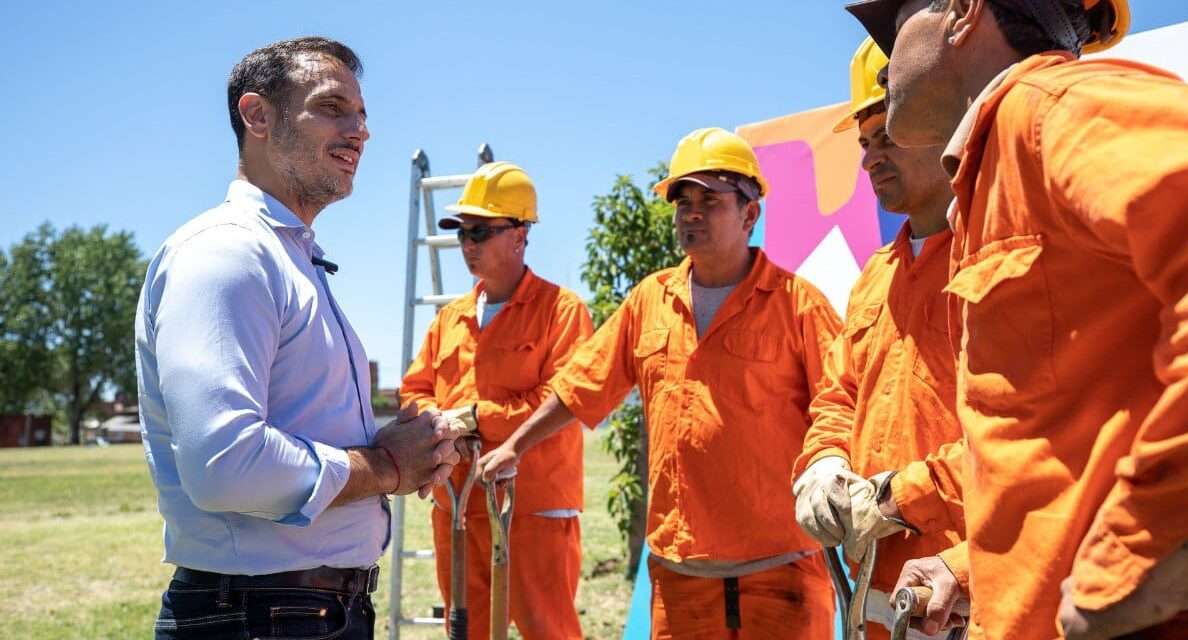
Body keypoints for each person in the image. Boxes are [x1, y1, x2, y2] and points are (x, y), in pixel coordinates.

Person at [841, 1, 1188, 637]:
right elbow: (1070, 436)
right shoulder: (992, 174)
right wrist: (967, 568)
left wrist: (1135, 546)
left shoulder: (1047, 110)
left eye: (892, 25)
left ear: (962, 12)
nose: (883, 70)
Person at [135, 37, 459, 640]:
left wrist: (393, 447)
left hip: (298, 614)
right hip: (262, 617)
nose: (359, 131)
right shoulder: (226, 252)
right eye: (333, 107)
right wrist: (385, 467)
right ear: (256, 115)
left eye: (361, 116)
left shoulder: (289, 258)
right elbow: (225, 465)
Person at [477, 127, 842, 638]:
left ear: (749, 213)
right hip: (680, 572)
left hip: (780, 566)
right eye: (682, 201)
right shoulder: (649, 300)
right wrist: (515, 444)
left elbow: (842, 403)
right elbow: (582, 384)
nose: (691, 213)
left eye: (709, 200)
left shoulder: (798, 304)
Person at [791, 36, 965, 640]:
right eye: (865, 144)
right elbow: (838, 397)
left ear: (944, 124)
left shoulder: (992, 262)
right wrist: (825, 463)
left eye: (886, 136)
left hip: (966, 593)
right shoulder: (875, 279)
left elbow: (1021, 437)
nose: (870, 160)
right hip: (875, 596)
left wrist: (899, 498)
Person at [399, 161, 594, 639]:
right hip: (458, 507)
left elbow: (564, 399)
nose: (468, 244)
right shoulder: (452, 318)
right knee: (466, 631)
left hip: (534, 512)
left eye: (481, 232)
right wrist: (439, 421)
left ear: (519, 235)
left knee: (548, 631)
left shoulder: (562, 312)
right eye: (463, 233)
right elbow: (414, 392)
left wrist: (474, 420)